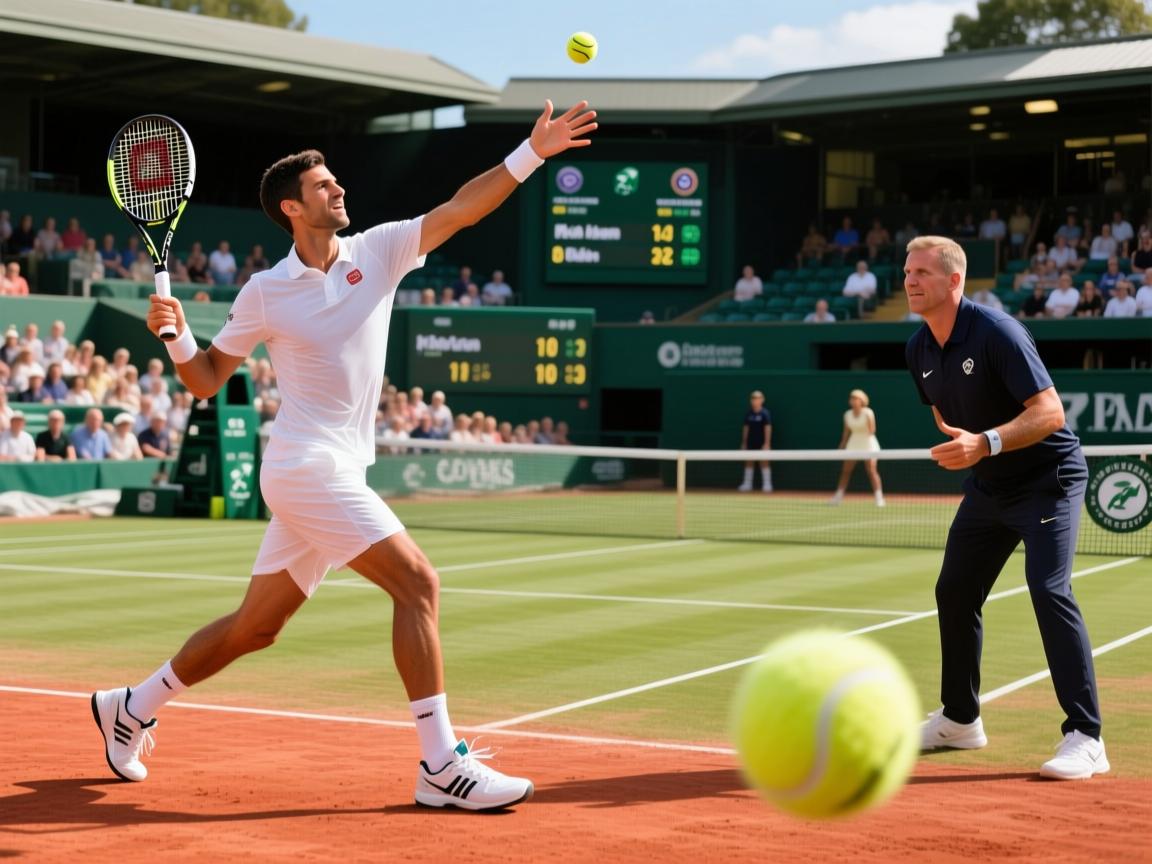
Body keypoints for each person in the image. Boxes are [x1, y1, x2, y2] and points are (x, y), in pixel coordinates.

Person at [90, 98, 596, 811]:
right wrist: (174, 336)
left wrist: (532, 152)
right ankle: (440, 765)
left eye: (336, 182)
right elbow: (206, 379)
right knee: (418, 583)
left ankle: (131, 705)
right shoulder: (265, 293)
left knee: (254, 628)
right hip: (304, 467)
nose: (340, 190)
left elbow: (462, 209)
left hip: (331, 472)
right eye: (325, 186)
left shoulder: (379, 249)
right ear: (293, 209)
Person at [904, 235, 1108, 780]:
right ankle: (960, 719)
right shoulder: (918, 347)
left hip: (1048, 479)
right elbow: (945, 411)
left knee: (1048, 588)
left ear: (953, 281)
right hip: (990, 487)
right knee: (954, 590)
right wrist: (962, 441)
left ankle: (1086, 736)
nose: (910, 281)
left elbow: (1050, 413)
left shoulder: (997, 332)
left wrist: (985, 442)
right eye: (907, 271)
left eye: (922, 271)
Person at [830, 389, 884, 507]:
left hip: (868, 444)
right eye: (852, 398)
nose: (853, 401)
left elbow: (872, 430)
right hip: (853, 444)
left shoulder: (868, 412)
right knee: (846, 471)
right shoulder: (847, 414)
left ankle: (879, 498)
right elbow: (846, 433)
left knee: (871, 471)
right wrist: (842, 446)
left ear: (862, 400)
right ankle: (838, 497)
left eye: (856, 398)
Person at [737, 390, 772, 493]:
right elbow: (745, 429)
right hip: (751, 443)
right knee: (749, 462)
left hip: (762, 443)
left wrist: (767, 443)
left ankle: (767, 485)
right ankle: (747, 484)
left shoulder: (765, 413)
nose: (755, 400)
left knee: (764, 462)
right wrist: (744, 443)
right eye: (753, 398)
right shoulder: (749, 413)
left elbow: (768, 428)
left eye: (757, 398)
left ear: (762, 400)